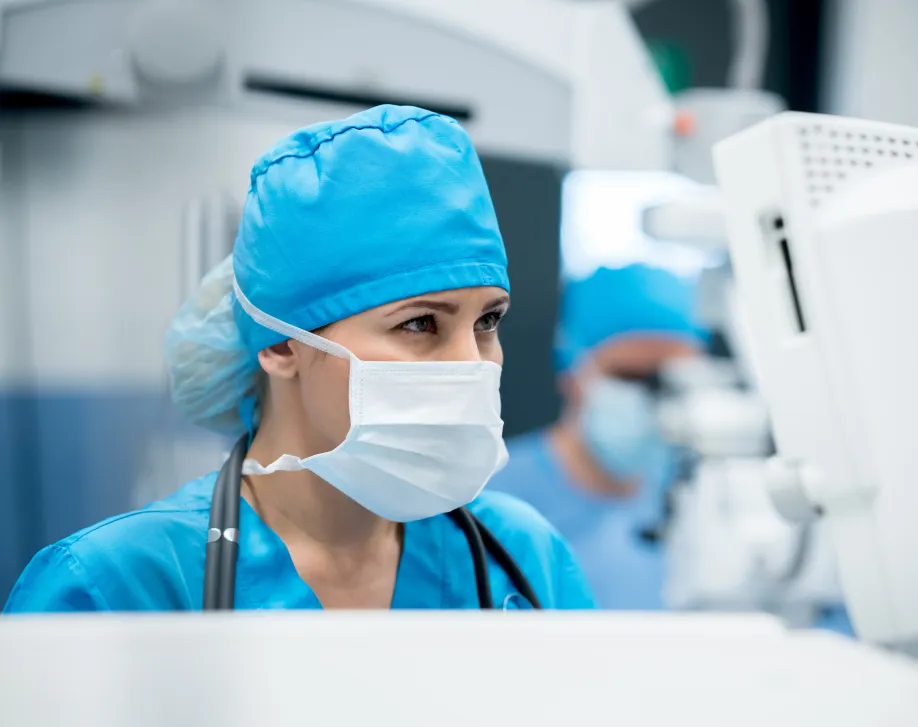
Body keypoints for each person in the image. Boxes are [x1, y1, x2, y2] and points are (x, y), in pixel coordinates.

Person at [4, 105, 594, 612]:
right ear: (281, 343)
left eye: (488, 321)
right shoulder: (120, 587)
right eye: (419, 324)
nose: (471, 364)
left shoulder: (523, 561)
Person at [487, 264, 707, 609]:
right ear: (573, 370)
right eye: (630, 376)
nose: (653, 400)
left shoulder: (709, 504)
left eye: (671, 381)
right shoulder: (489, 503)